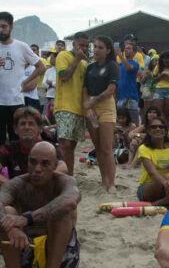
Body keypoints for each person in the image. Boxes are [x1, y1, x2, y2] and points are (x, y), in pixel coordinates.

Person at [0, 142, 80, 268]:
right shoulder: (17, 184)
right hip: (24, 261)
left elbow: (70, 200)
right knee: (5, 213)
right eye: (33, 162)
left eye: (45, 164)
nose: (37, 169)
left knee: (61, 213)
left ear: (54, 166)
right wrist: (11, 227)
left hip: (61, 263)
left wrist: (27, 219)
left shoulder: (64, 181)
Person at [0, 107, 67, 265]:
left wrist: (40, 180)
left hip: (43, 196)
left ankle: (62, 241)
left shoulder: (49, 147)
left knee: (65, 194)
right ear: (15, 129)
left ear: (40, 128)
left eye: (31, 123)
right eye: (22, 124)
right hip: (20, 198)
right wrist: (13, 185)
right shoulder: (9, 148)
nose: (27, 127)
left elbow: (63, 168)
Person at [0, 11, 45, 153]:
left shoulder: (21, 46)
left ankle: (16, 170)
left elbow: (41, 67)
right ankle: (0, 171)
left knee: (17, 140)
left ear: (11, 27)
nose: (0, 30)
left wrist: (25, 82)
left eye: (3, 26)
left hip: (16, 101)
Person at [83, 36, 120, 192]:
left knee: (106, 147)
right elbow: (84, 89)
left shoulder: (112, 66)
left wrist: (93, 102)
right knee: (97, 146)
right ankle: (103, 179)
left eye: (100, 47)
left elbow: (111, 89)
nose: (96, 50)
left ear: (108, 50)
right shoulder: (90, 68)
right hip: (91, 107)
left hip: (105, 106)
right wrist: (87, 106)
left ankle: (111, 183)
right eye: (95, 46)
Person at [54, 32, 88, 176]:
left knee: (72, 146)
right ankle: (64, 176)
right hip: (64, 106)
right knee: (65, 144)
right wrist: (76, 60)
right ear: (74, 44)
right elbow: (64, 77)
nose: (84, 48)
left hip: (79, 109)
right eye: (81, 45)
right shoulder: (63, 56)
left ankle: (69, 176)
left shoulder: (85, 64)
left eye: (87, 46)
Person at [116, 42, 140, 126]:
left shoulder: (135, 64)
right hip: (120, 97)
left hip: (131, 97)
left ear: (134, 52)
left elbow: (129, 68)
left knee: (133, 122)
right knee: (120, 123)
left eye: (129, 48)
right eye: (125, 48)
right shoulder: (119, 65)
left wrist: (119, 55)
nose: (126, 50)